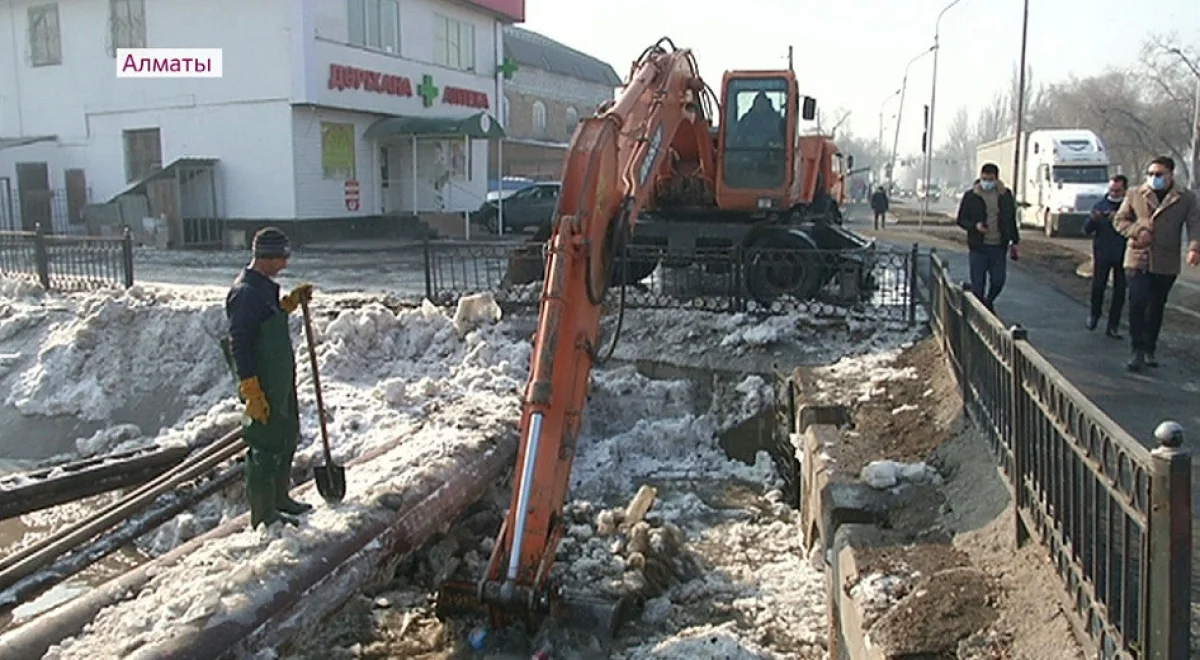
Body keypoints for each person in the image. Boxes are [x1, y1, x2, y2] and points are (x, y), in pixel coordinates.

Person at [226, 227, 316, 528]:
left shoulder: (264, 287)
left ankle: (281, 497)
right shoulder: (244, 294)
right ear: (265, 258)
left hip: (280, 379)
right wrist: (251, 389)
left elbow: (269, 317)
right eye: (281, 258)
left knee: (286, 435)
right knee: (265, 446)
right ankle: (263, 514)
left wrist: (288, 304)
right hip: (262, 383)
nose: (285, 264)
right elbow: (241, 341)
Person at [1112, 156, 1200, 372]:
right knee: (1138, 301)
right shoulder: (1135, 193)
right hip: (1137, 258)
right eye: (1150, 174)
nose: (1154, 178)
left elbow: (1194, 224)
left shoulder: (1185, 198)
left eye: (1159, 174)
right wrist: (1136, 231)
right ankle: (1136, 350)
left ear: (1170, 175)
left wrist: (1194, 248)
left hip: (1166, 260)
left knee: (1156, 306)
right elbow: (1120, 220)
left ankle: (1150, 346)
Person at [955, 162, 1020, 312]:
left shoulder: (1005, 196)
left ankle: (989, 301)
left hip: (998, 246)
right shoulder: (971, 196)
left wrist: (1014, 242)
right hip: (978, 246)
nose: (987, 183)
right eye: (984, 179)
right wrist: (974, 226)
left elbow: (1010, 219)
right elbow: (961, 219)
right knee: (978, 285)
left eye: (990, 179)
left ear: (996, 179)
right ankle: (980, 314)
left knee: (998, 281)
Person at [1083, 174, 1129, 338]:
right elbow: (1086, 229)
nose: (1114, 193)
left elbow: (1135, 226)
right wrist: (1093, 219)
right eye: (1111, 190)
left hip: (1124, 254)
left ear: (1124, 190)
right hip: (1102, 252)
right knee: (1098, 286)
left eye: (1118, 190)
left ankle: (1113, 325)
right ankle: (1094, 315)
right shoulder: (1100, 204)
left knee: (1120, 291)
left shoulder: (1130, 207)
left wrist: (1118, 218)